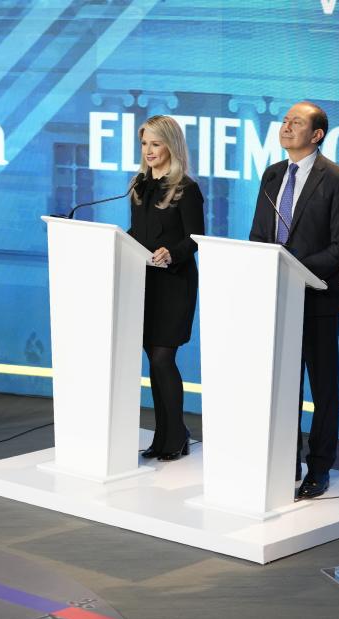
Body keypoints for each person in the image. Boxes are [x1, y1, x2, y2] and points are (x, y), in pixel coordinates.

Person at [249, 101, 339, 498]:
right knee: (282, 384)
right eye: (284, 121)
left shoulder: (338, 178)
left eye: (296, 122)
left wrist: (297, 269)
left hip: (316, 298)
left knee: (323, 387)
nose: (286, 126)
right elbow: (259, 235)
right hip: (275, 297)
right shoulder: (273, 174)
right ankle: (285, 460)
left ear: (316, 135)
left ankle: (319, 467)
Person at [127, 115, 205, 461]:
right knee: (152, 362)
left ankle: (176, 437)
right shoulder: (139, 186)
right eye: (144, 144)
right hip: (144, 282)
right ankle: (164, 436)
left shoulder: (186, 189)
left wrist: (172, 252)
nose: (148, 151)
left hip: (174, 283)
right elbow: (137, 233)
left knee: (163, 359)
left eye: (155, 144)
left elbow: (195, 239)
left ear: (171, 145)